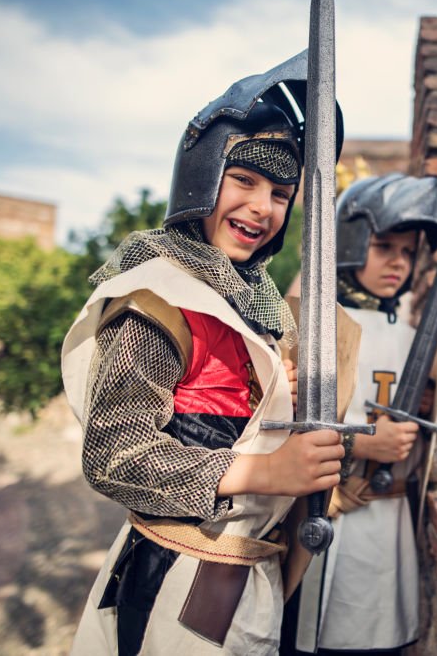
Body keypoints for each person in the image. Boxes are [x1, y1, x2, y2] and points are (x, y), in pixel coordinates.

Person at [61, 57, 345, 656]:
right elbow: (116, 456)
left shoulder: (256, 308)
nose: (262, 207)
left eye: (280, 193)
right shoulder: (155, 297)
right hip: (171, 581)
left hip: (252, 579)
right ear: (199, 176)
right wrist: (265, 472)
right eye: (243, 180)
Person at [283, 174, 437, 654]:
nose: (398, 262)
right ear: (354, 243)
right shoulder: (316, 324)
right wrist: (362, 443)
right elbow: (282, 422)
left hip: (391, 522)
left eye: (407, 251)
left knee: (383, 642)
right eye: (384, 246)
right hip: (333, 514)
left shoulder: (418, 338)